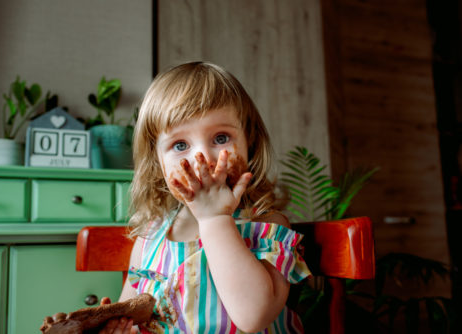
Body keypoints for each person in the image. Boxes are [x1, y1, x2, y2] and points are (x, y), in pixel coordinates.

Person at [100, 61, 311, 334]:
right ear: (157, 162)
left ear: (251, 143)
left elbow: (253, 318)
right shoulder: (150, 240)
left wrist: (214, 219)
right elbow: (132, 318)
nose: (203, 158)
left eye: (221, 138)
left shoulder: (267, 226)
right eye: (180, 145)